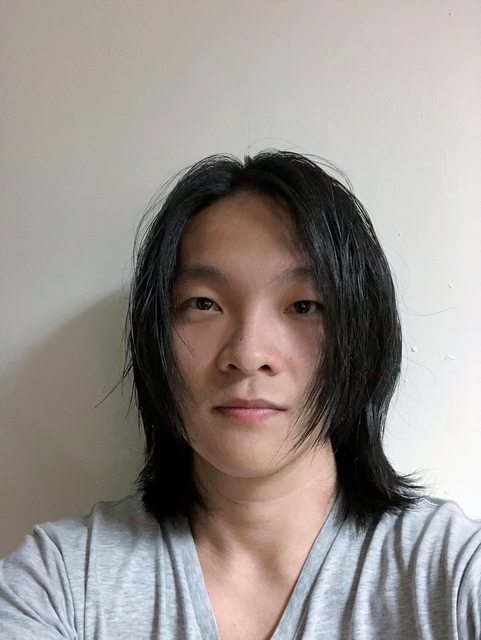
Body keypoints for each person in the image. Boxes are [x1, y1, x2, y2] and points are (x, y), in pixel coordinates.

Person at [0, 150, 479, 639]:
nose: (248, 355)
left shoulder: (454, 572)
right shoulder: (59, 583)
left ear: (363, 337)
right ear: (154, 340)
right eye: (204, 304)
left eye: (304, 305)